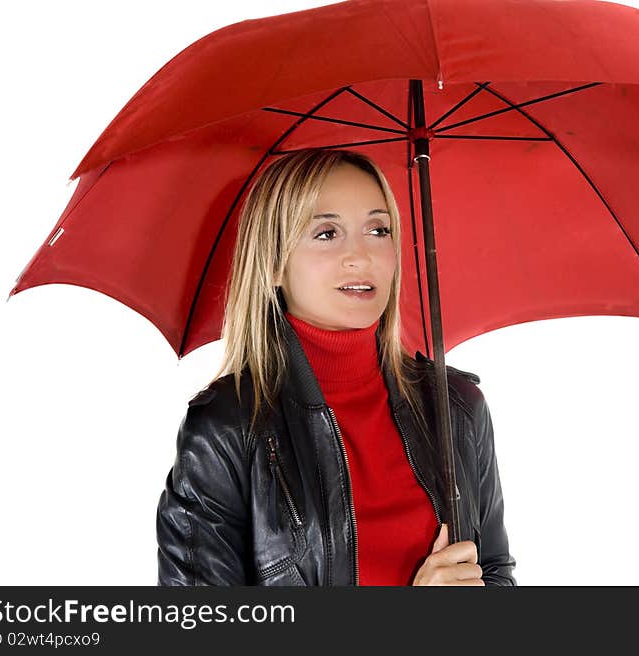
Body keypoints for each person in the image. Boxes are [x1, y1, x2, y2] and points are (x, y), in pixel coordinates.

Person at [156, 148, 516, 586]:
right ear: (272, 263)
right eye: (327, 234)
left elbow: (494, 571)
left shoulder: (457, 408)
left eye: (378, 229)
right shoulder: (226, 428)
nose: (361, 256)